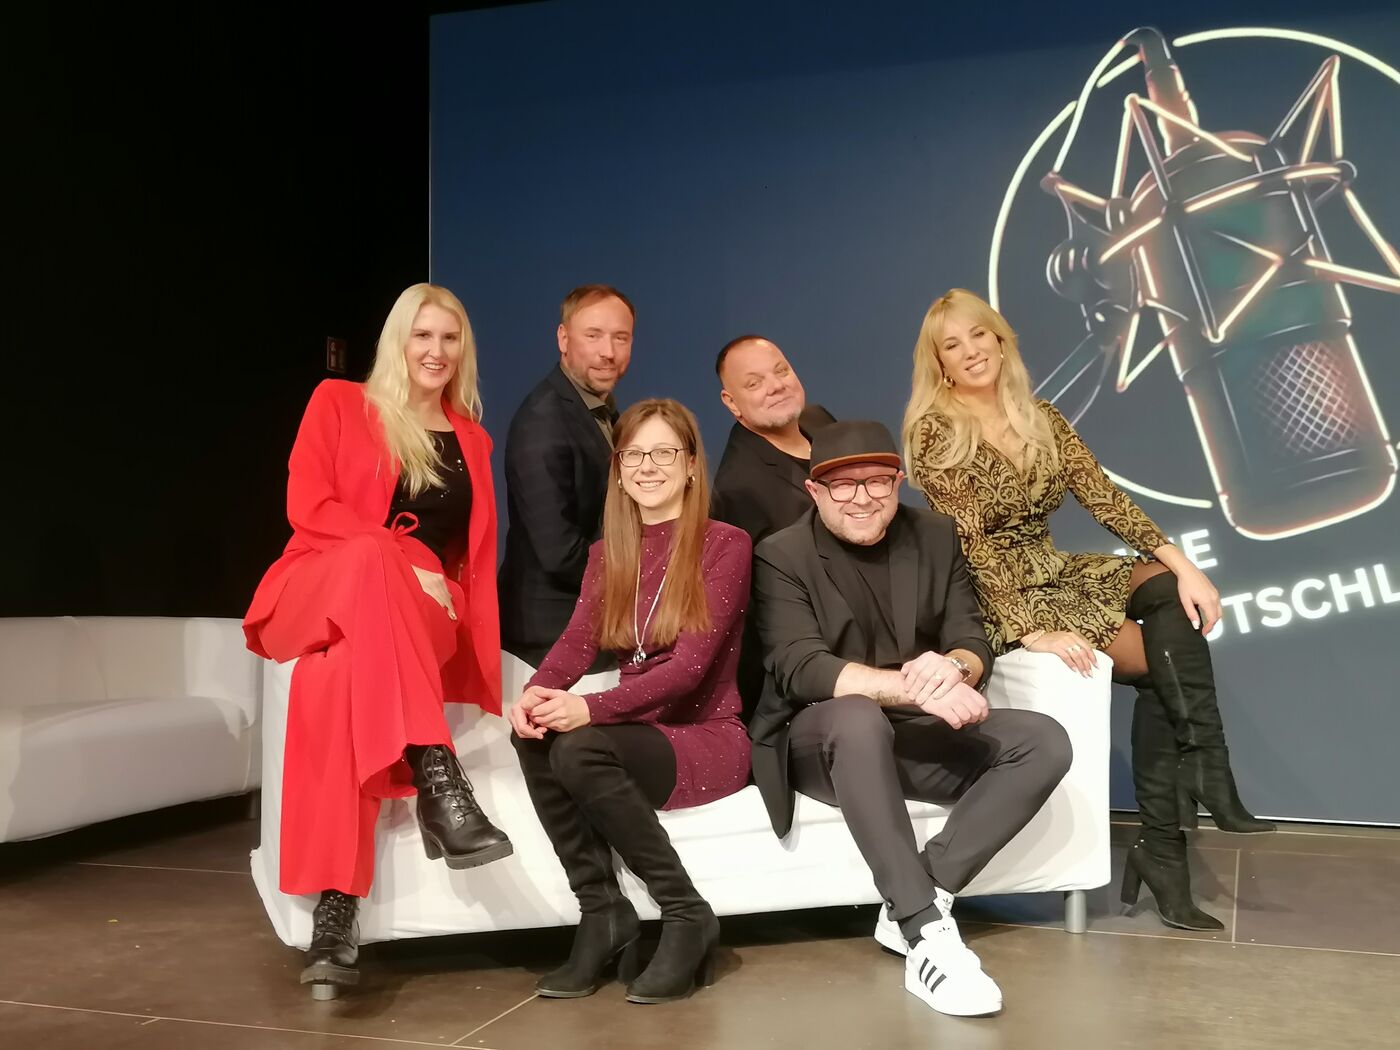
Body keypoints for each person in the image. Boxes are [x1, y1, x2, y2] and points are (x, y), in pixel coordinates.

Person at [902, 288, 1273, 934]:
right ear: (940, 365)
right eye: (952, 346)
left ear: (1000, 340)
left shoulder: (1041, 416)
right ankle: (1172, 835)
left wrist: (1185, 564)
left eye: (978, 335)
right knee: (1154, 665)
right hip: (996, 594)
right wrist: (1031, 631)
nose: (970, 352)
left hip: (1052, 568)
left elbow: (1103, 496)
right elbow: (971, 544)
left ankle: (1201, 774)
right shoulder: (935, 431)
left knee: (1168, 591)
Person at [750, 420, 1072, 1018]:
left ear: (898, 483)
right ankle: (926, 933)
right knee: (857, 718)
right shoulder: (781, 553)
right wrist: (914, 690)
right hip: (821, 738)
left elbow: (970, 635)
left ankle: (922, 894)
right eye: (842, 486)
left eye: (877, 481)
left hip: (905, 734)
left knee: (1042, 741)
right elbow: (800, 667)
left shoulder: (934, 535)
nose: (861, 498)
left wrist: (955, 667)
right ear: (815, 492)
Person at [244, 284, 512, 995]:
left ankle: (336, 913)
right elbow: (307, 505)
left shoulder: (474, 439)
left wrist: (426, 583)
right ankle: (435, 769)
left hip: (423, 606)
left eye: (449, 338)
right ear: (398, 340)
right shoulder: (338, 403)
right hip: (324, 581)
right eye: (422, 335)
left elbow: (472, 558)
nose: (435, 350)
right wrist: (393, 557)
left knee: (335, 680)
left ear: (463, 349)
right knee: (369, 555)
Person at [509, 399, 751, 1005]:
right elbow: (576, 643)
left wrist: (590, 709)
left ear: (691, 465)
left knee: (581, 746)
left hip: (706, 736)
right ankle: (603, 912)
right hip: (639, 731)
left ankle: (686, 912)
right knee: (534, 733)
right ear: (617, 470)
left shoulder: (725, 544)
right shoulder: (607, 553)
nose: (648, 466)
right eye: (634, 454)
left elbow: (689, 671)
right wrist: (535, 695)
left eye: (664, 452)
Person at [498, 285, 636, 665]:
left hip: (590, 631)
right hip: (552, 641)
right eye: (593, 335)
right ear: (563, 338)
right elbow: (559, 554)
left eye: (620, 337)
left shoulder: (597, 407)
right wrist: (645, 580)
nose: (608, 352)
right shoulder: (542, 422)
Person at [710, 335, 836, 719]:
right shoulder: (739, 487)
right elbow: (769, 613)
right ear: (732, 403)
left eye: (781, 371)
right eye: (754, 383)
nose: (776, 386)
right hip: (814, 674)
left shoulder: (819, 422)